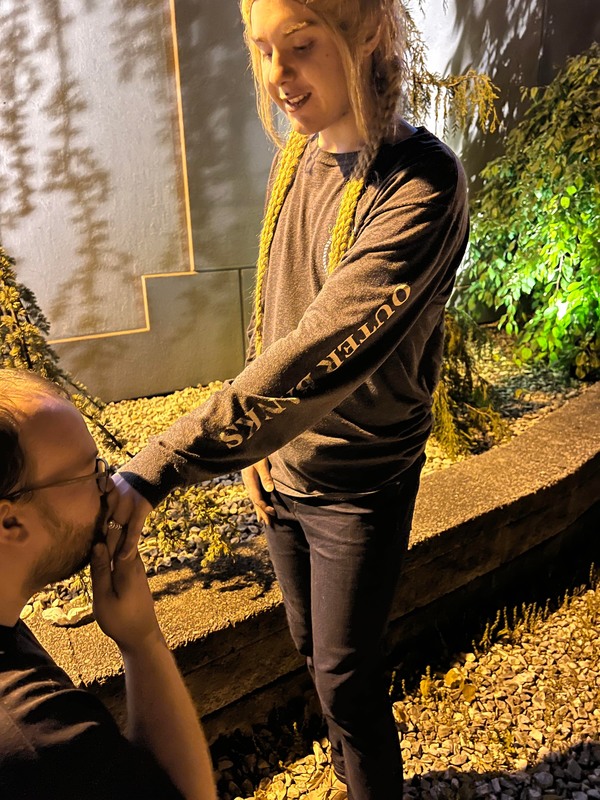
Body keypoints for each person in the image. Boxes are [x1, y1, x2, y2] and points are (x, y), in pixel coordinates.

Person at [110, 1, 469, 798]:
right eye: (262, 49)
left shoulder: (422, 186)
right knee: (312, 651)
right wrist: (257, 450)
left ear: (368, 32)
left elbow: (317, 350)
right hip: (281, 473)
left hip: (360, 483)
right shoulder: (299, 156)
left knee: (347, 675)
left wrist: (159, 464)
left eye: (301, 46)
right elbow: (274, 311)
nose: (277, 76)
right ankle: (345, 773)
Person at [0, 369, 217, 800]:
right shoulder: (37, 738)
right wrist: (143, 641)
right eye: (92, 475)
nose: (112, 489)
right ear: (9, 521)